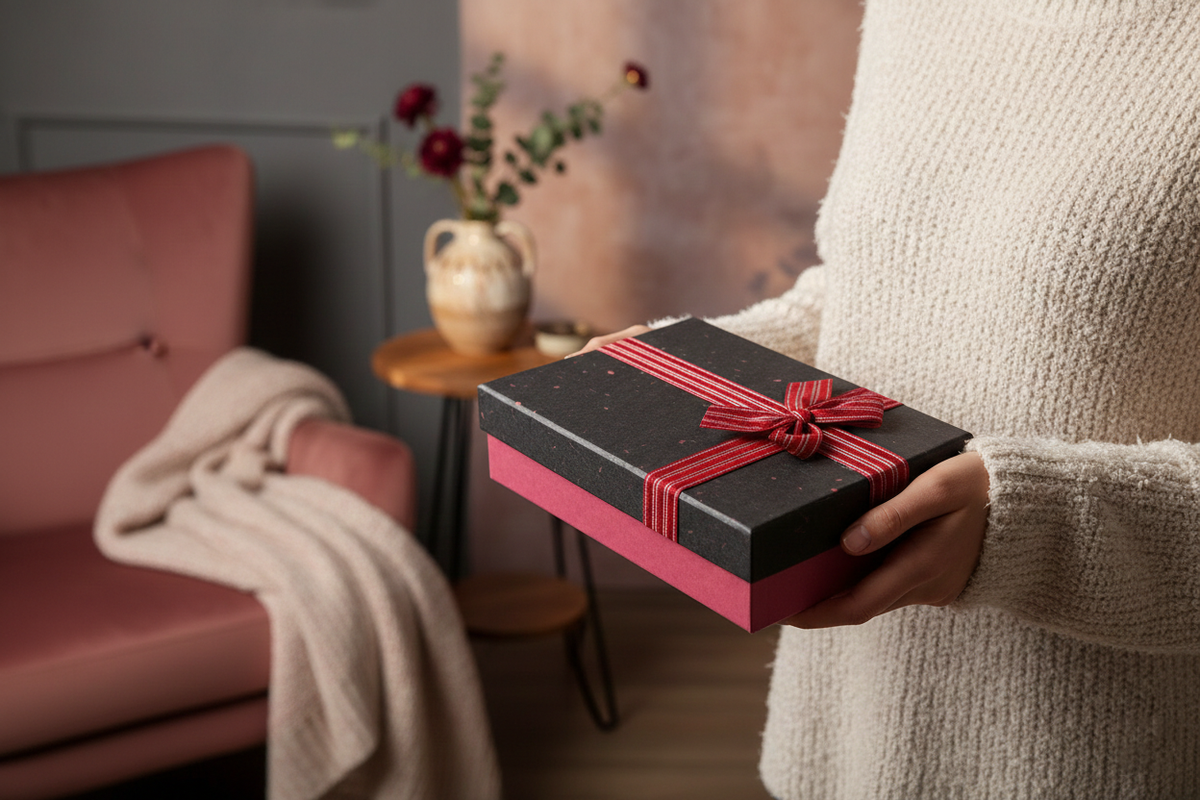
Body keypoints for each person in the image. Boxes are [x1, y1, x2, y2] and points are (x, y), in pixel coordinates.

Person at [575, 0, 1200, 796]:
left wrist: (1028, 526)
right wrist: (685, 368)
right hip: (842, 737)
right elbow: (872, 292)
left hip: (1087, 761)